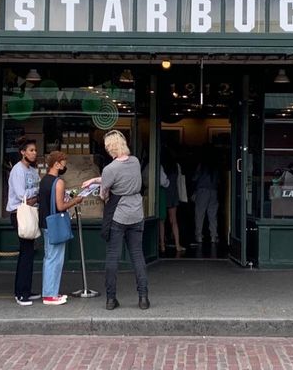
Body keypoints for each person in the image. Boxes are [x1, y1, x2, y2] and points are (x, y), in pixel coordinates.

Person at [82, 130, 149, 311]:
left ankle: (111, 299)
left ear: (109, 147)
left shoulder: (110, 168)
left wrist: (100, 186)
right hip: (136, 213)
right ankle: (143, 298)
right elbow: (120, 178)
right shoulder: (134, 162)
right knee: (137, 256)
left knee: (113, 257)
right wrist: (94, 180)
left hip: (118, 216)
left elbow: (105, 193)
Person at [38, 151, 83, 306]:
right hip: (55, 224)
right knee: (55, 260)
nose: (65, 165)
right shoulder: (59, 182)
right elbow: (60, 206)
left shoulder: (43, 180)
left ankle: (49, 292)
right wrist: (76, 200)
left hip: (45, 223)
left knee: (49, 258)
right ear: (56, 163)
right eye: (64, 162)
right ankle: (50, 295)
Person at [6, 139, 41, 306]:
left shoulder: (33, 171)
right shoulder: (17, 170)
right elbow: (22, 195)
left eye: (35, 150)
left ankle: (26, 289)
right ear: (23, 152)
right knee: (25, 251)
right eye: (31, 150)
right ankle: (20, 293)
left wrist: (34, 195)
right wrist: (34, 195)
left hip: (31, 211)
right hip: (19, 212)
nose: (34, 153)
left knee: (29, 252)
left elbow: (37, 190)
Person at [159, 149, 185, 253]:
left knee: (161, 221)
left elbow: (161, 181)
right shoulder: (176, 166)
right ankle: (177, 245)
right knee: (174, 221)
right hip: (174, 194)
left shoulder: (160, 166)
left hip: (163, 193)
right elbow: (179, 181)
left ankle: (162, 245)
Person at [192, 146, 219, 244]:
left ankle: (199, 236)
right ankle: (213, 236)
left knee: (199, 214)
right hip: (214, 191)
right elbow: (218, 180)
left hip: (202, 191)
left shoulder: (202, 165)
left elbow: (195, 178)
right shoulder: (215, 166)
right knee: (212, 215)